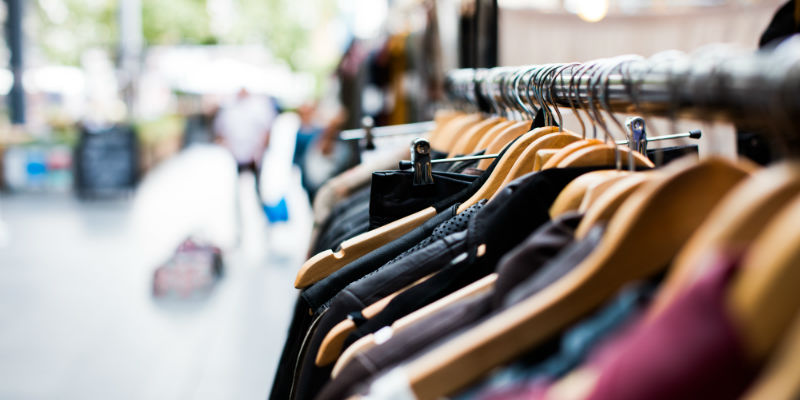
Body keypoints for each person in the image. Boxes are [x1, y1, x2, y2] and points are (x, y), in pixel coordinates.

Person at [213, 88, 276, 182]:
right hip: (234, 155)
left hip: (254, 156)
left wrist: (259, 151)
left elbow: (267, 131)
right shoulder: (229, 108)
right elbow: (220, 132)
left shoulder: (259, 107)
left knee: (256, 183)